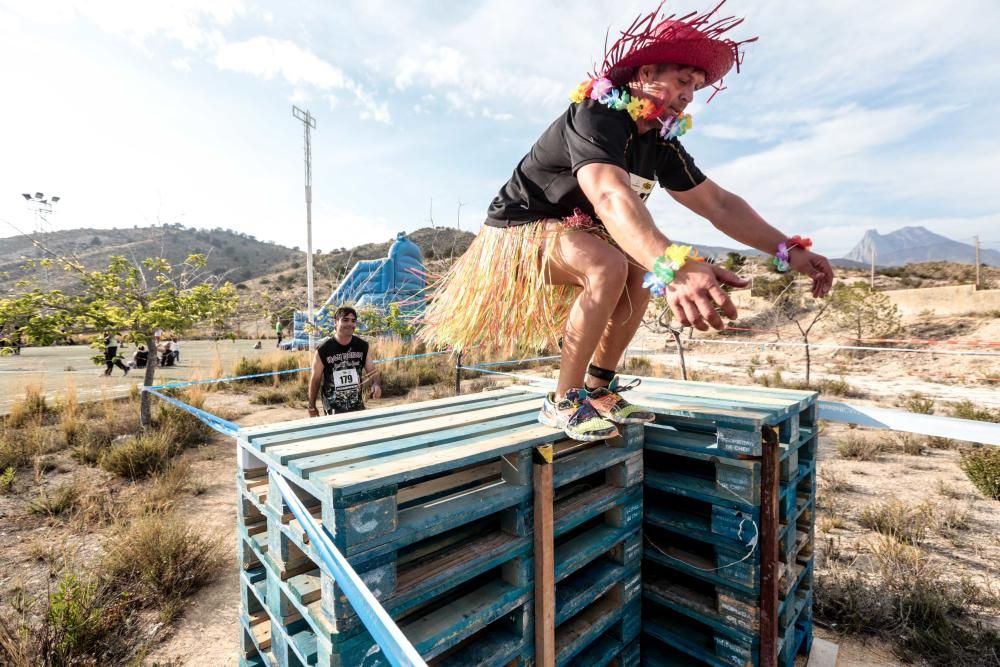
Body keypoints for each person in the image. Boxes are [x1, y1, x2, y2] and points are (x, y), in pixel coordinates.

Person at [419, 4, 833, 441]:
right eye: (681, 81)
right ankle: (562, 400)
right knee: (609, 265)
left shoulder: (660, 141)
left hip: (579, 232)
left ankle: (600, 388)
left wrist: (790, 250)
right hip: (519, 231)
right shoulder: (596, 115)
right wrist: (673, 266)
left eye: (695, 86)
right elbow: (610, 194)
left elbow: (720, 205)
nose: (689, 95)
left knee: (638, 273)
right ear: (644, 72)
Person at [308, 307, 382, 416]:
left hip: (357, 407)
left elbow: (372, 371)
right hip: (333, 410)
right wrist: (312, 406)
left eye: (353, 321)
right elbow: (315, 380)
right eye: (345, 320)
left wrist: (376, 384)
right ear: (336, 322)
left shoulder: (362, 346)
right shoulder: (323, 350)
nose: (350, 324)